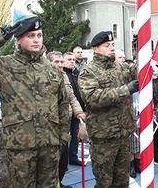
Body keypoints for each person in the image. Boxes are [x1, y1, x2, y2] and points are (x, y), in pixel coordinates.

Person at [0, 14, 70, 188]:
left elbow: (62, 104)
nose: (36, 40)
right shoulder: (3, 66)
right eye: (30, 36)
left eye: (39, 36)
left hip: (49, 145)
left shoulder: (51, 69)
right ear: (18, 39)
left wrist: (63, 137)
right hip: (20, 147)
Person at [78, 31, 137, 188]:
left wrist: (140, 50)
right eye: (107, 45)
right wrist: (126, 89)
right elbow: (93, 98)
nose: (111, 48)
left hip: (123, 135)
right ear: (95, 49)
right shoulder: (88, 72)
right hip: (104, 137)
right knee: (104, 182)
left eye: (113, 45)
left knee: (122, 181)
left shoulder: (120, 68)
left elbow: (142, 70)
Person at [48, 51, 85, 188]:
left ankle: (59, 182)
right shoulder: (45, 77)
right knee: (52, 160)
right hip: (51, 125)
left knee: (63, 160)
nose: (59, 64)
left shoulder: (64, 76)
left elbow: (72, 97)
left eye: (61, 61)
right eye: (56, 62)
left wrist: (79, 112)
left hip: (65, 123)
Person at [62, 51, 86, 167]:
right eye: (69, 59)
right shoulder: (62, 74)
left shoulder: (77, 74)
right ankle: (63, 160)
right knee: (65, 136)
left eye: (73, 60)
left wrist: (81, 109)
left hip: (77, 109)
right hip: (66, 111)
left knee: (75, 135)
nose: (72, 62)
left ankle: (73, 156)